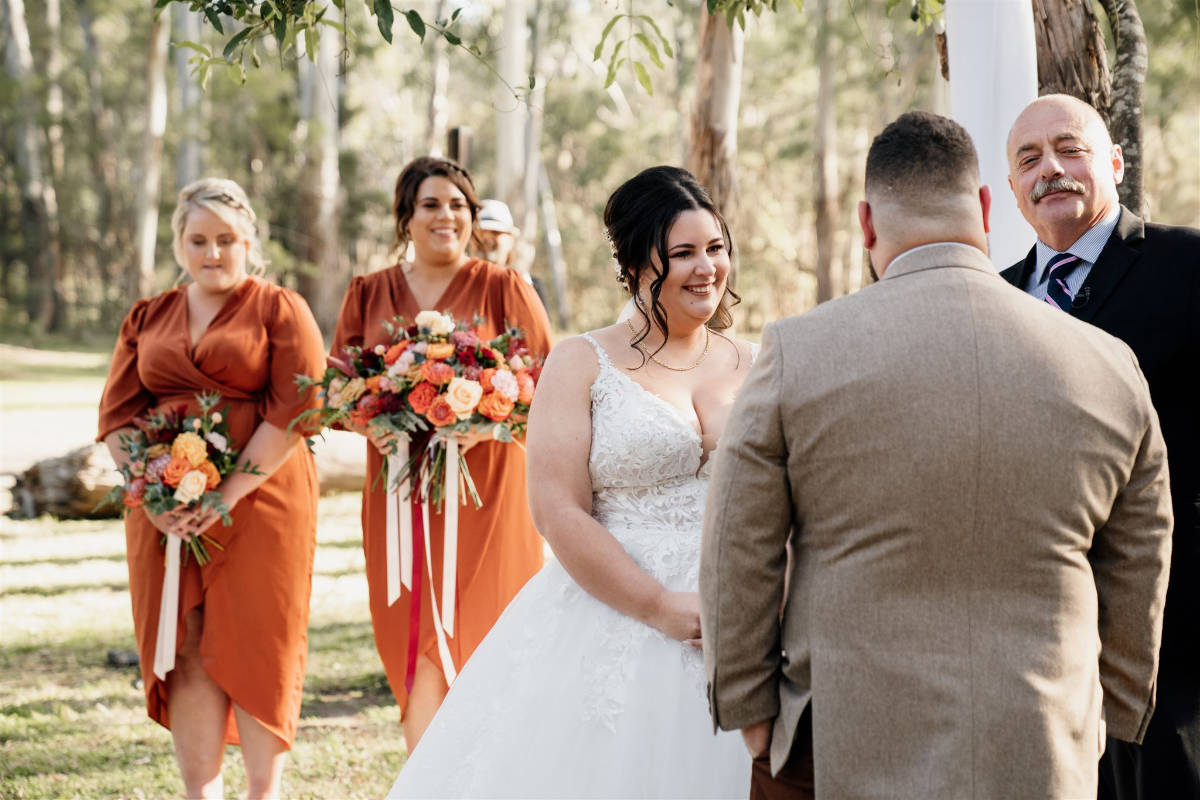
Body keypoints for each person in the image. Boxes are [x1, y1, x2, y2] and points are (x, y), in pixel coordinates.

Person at [700, 111, 1174, 799]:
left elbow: (737, 543)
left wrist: (746, 706)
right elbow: (1140, 555)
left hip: (839, 742)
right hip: (1041, 739)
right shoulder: (1107, 363)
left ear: (866, 224)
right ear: (984, 206)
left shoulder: (798, 351)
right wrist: (1114, 708)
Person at [387, 166, 754, 797]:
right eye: (684, 254)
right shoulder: (582, 362)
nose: (707, 269)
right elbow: (557, 510)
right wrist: (659, 607)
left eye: (716, 249)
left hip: (742, 608)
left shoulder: (755, 359)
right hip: (615, 608)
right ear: (640, 264)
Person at [97, 178, 326, 799]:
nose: (213, 253)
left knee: (257, 639)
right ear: (179, 245)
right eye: (198, 240)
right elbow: (116, 418)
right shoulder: (147, 317)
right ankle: (199, 793)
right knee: (186, 643)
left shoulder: (281, 308)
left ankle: (262, 792)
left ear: (250, 241)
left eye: (227, 239)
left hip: (263, 501)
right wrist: (155, 497)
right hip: (165, 511)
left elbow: (297, 410)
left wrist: (226, 495)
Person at [1001, 93, 1200, 800]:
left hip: (1173, 642)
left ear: (1114, 162)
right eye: (1029, 159)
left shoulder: (1189, 266)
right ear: (1011, 191)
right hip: (1030, 645)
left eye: (1069, 148)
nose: (1049, 169)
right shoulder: (993, 302)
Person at [331, 156, 553, 750]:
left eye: (458, 205)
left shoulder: (504, 287)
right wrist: (366, 421)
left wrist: (494, 425)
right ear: (406, 217)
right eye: (431, 204)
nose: (446, 215)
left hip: (488, 495)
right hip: (399, 496)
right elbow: (337, 389)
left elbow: (551, 385)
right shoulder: (368, 291)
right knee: (411, 636)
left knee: (490, 633)